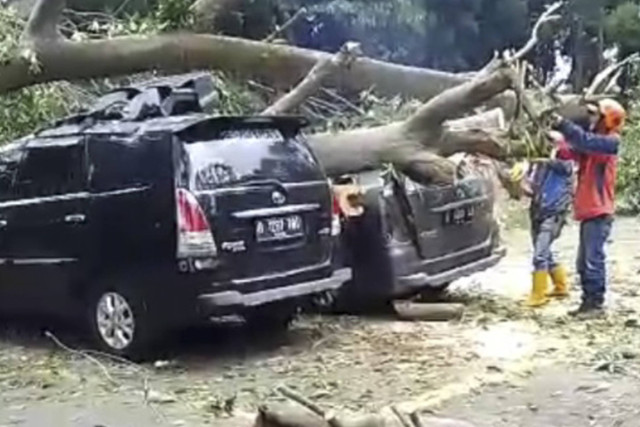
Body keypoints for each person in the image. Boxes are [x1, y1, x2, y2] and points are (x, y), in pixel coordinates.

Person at [551, 98, 626, 318]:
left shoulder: (610, 142)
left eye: (595, 114)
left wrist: (563, 124)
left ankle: (595, 305)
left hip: (599, 212)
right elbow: (572, 151)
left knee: (593, 260)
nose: (590, 118)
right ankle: (588, 303)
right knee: (583, 262)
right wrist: (554, 140)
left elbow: (583, 141)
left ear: (607, 119)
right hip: (590, 211)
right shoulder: (595, 142)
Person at [519, 132, 574, 307]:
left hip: (554, 211)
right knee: (543, 250)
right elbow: (531, 187)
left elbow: (564, 165)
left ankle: (538, 294)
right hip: (538, 210)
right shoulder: (539, 166)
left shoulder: (562, 162)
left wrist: (542, 159)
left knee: (540, 254)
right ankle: (560, 285)